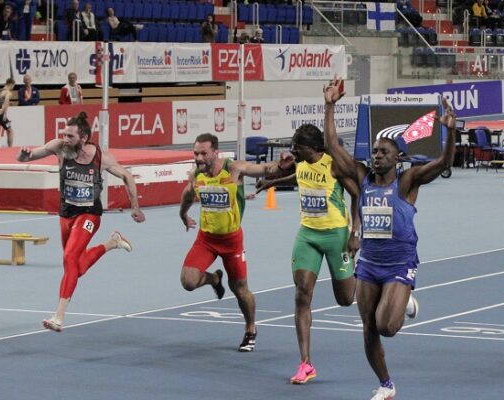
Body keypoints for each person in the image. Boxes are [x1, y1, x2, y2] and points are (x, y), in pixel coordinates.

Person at [322, 78, 455, 400]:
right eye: (375, 151)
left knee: (386, 327)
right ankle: (386, 384)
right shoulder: (361, 176)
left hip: (399, 263)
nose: (377, 155)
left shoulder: (408, 181)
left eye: (384, 152)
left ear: (397, 158)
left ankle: (405, 299)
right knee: (368, 327)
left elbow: (444, 163)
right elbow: (332, 147)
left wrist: (450, 132)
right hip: (369, 263)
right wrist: (329, 106)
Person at [16, 112, 145, 332]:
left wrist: (135, 206)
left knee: (70, 257)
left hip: (89, 215)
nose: (65, 139)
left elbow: (127, 176)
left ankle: (59, 316)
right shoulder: (59, 147)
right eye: (64, 134)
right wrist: (23, 155)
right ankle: (111, 243)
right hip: (66, 214)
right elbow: (27, 158)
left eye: (70, 136)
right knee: (74, 267)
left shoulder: (100, 157)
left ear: (83, 138)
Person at [178, 133, 295, 352]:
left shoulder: (235, 168)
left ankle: (250, 328)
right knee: (188, 281)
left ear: (215, 152)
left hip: (232, 241)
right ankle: (213, 278)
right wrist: (183, 215)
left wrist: (282, 165)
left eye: (203, 153)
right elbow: (187, 194)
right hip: (206, 239)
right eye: (196, 153)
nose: (199, 158)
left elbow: (266, 169)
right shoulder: (195, 175)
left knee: (240, 289)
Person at [286, 124, 361, 384]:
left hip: (336, 237)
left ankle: (367, 278)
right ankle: (305, 363)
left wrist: (355, 233)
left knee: (345, 299)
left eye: (297, 146)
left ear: (313, 148)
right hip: (307, 235)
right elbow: (294, 176)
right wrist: (271, 181)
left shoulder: (334, 166)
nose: (293, 149)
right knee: (301, 294)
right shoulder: (299, 164)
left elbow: (357, 194)